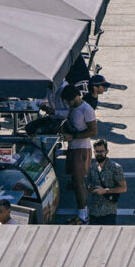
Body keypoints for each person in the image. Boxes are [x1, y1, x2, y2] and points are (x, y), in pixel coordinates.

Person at [59, 83, 98, 223]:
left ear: (76, 96)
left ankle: (83, 214)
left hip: (81, 148)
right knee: (76, 182)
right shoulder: (74, 107)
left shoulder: (86, 109)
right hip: (74, 147)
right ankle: (83, 211)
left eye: (70, 100)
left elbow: (93, 131)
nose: (68, 103)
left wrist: (74, 137)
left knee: (79, 181)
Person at [85, 139, 127, 225]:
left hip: (108, 214)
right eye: (97, 151)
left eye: (101, 151)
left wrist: (105, 191)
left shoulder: (115, 168)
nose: (99, 154)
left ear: (107, 151)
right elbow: (89, 185)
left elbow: (123, 188)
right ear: (94, 152)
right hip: (93, 213)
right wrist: (90, 188)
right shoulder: (92, 168)